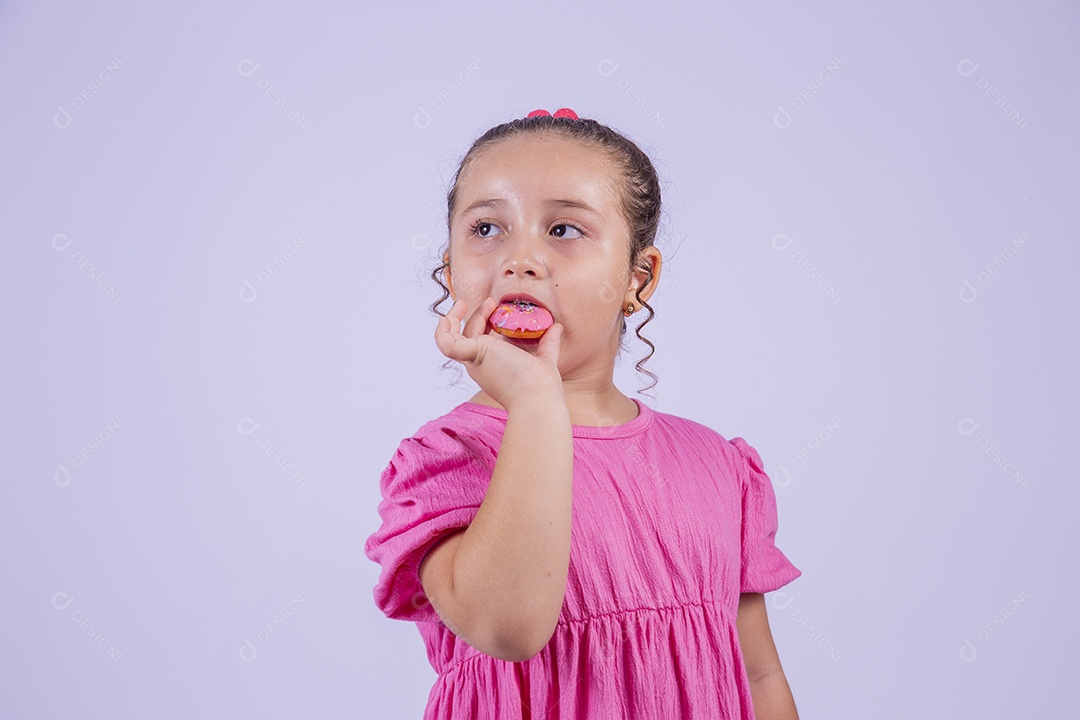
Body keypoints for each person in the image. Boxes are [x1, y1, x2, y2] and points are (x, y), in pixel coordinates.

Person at [364, 107, 802, 719]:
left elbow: (757, 674)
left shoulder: (718, 466)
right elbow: (508, 626)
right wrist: (537, 401)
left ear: (637, 279)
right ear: (450, 269)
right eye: (487, 229)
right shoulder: (445, 462)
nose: (520, 259)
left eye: (564, 230)